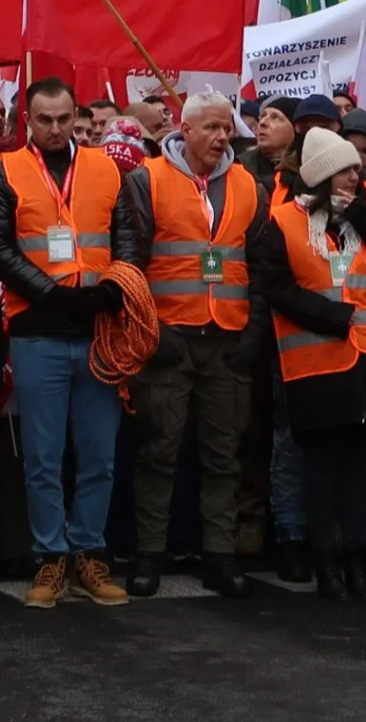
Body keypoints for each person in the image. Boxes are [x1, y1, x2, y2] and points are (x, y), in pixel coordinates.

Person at [0, 76, 132, 607]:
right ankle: (50, 557)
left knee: (98, 454)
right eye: (44, 119)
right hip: (38, 329)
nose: (55, 128)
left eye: (64, 119)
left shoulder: (107, 168)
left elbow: (127, 236)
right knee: (43, 456)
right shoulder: (5, 171)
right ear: (29, 120)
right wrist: (51, 295)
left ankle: (89, 551)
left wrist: (114, 287)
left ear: (76, 117)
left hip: (98, 331)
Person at [251, 127, 366, 600]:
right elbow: (276, 288)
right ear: (322, 176)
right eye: (344, 171)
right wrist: (335, 316)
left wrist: (363, 214)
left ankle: (358, 558)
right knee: (320, 467)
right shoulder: (281, 222)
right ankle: (326, 558)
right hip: (317, 364)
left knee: (364, 467)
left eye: (356, 170)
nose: (354, 176)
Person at [120, 90, 265, 598]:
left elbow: (263, 266)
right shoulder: (147, 180)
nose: (222, 136)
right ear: (184, 131)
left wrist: (252, 335)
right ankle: (149, 557)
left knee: (224, 456)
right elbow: (130, 265)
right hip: (170, 339)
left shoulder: (249, 186)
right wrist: (149, 335)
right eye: (211, 128)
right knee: (159, 453)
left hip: (227, 340)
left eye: (226, 128)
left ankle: (219, 558)